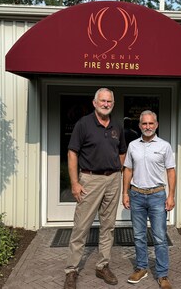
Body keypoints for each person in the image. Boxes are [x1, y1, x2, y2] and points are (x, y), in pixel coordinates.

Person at [64, 88, 127, 289]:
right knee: (81, 226)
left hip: (113, 180)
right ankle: (72, 270)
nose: (106, 104)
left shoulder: (118, 125)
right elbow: (72, 153)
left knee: (108, 226)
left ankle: (103, 266)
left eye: (109, 101)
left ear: (113, 104)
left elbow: (122, 152)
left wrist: (118, 172)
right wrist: (75, 183)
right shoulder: (83, 124)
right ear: (94, 102)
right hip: (90, 180)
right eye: (103, 101)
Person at [122, 110, 176, 289]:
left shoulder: (164, 146)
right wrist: (125, 193)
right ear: (139, 126)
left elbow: (171, 171)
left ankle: (162, 274)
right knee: (138, 236)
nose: (147, 127)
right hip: (136, 195)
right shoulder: (133, 146)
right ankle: (142, 268)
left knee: (160, 237)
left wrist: (171, 196)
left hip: (157, 196)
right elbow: (128, 170)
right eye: (144, 124)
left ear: (156, 124)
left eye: (150, 123)